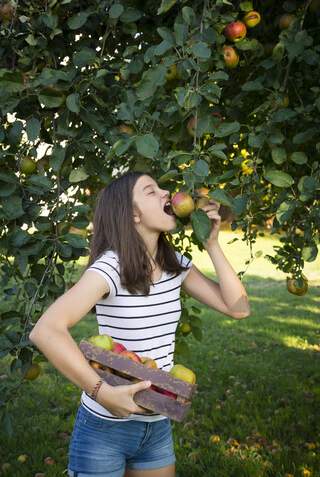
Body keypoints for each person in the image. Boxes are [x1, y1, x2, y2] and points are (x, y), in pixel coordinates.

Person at [30, 171, 250, 477]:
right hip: (105, 427)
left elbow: (238, 308)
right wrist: (101, 392)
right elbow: (46, 329)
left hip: (156, 427)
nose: (166, 193)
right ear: (132, 214)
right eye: (151, 191)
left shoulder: (176, 264)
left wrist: (212, 243)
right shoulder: (111, 267)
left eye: (161, 188)